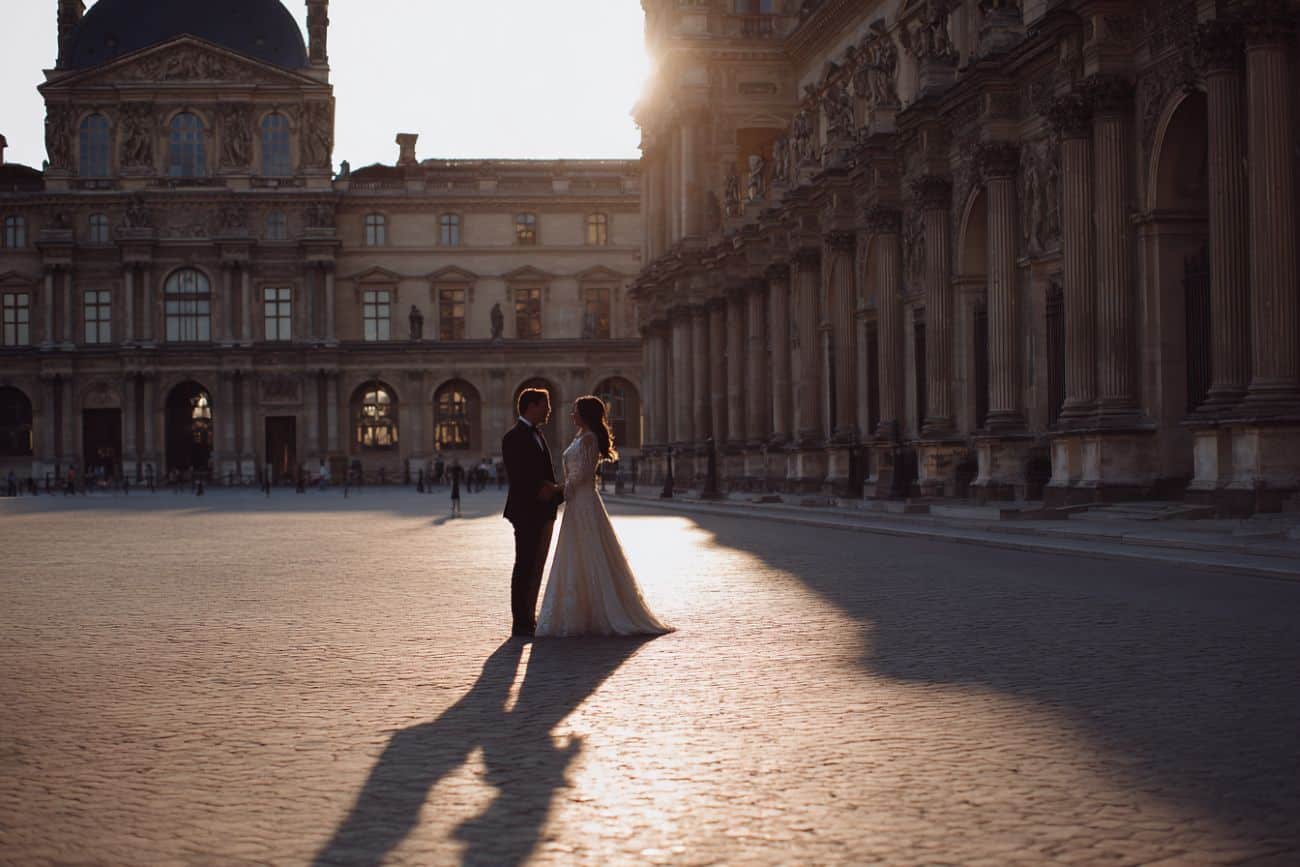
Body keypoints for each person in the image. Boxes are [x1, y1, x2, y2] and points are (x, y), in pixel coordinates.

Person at [535, 396, 674, 639]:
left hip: (585, 502)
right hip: (578, 502)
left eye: (575, 411)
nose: (571, 415)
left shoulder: (589, 439)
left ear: (585, 414)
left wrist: (557, 490)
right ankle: (584, 611)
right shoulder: (581, 437)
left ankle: (597, 611)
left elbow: (583, 474)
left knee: (589, 551)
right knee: (577, 553)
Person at [502, 388, 564, 638]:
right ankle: (521, 622)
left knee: (535, 566)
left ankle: (528, 616)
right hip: (527, 511)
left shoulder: (537, 434)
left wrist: (558, 493)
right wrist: (546, 490)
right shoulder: (514, 437)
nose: (549, 409)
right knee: (525, 565)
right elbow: (519, 476)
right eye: (545, 404)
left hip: (542, 510)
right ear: (532, 406)